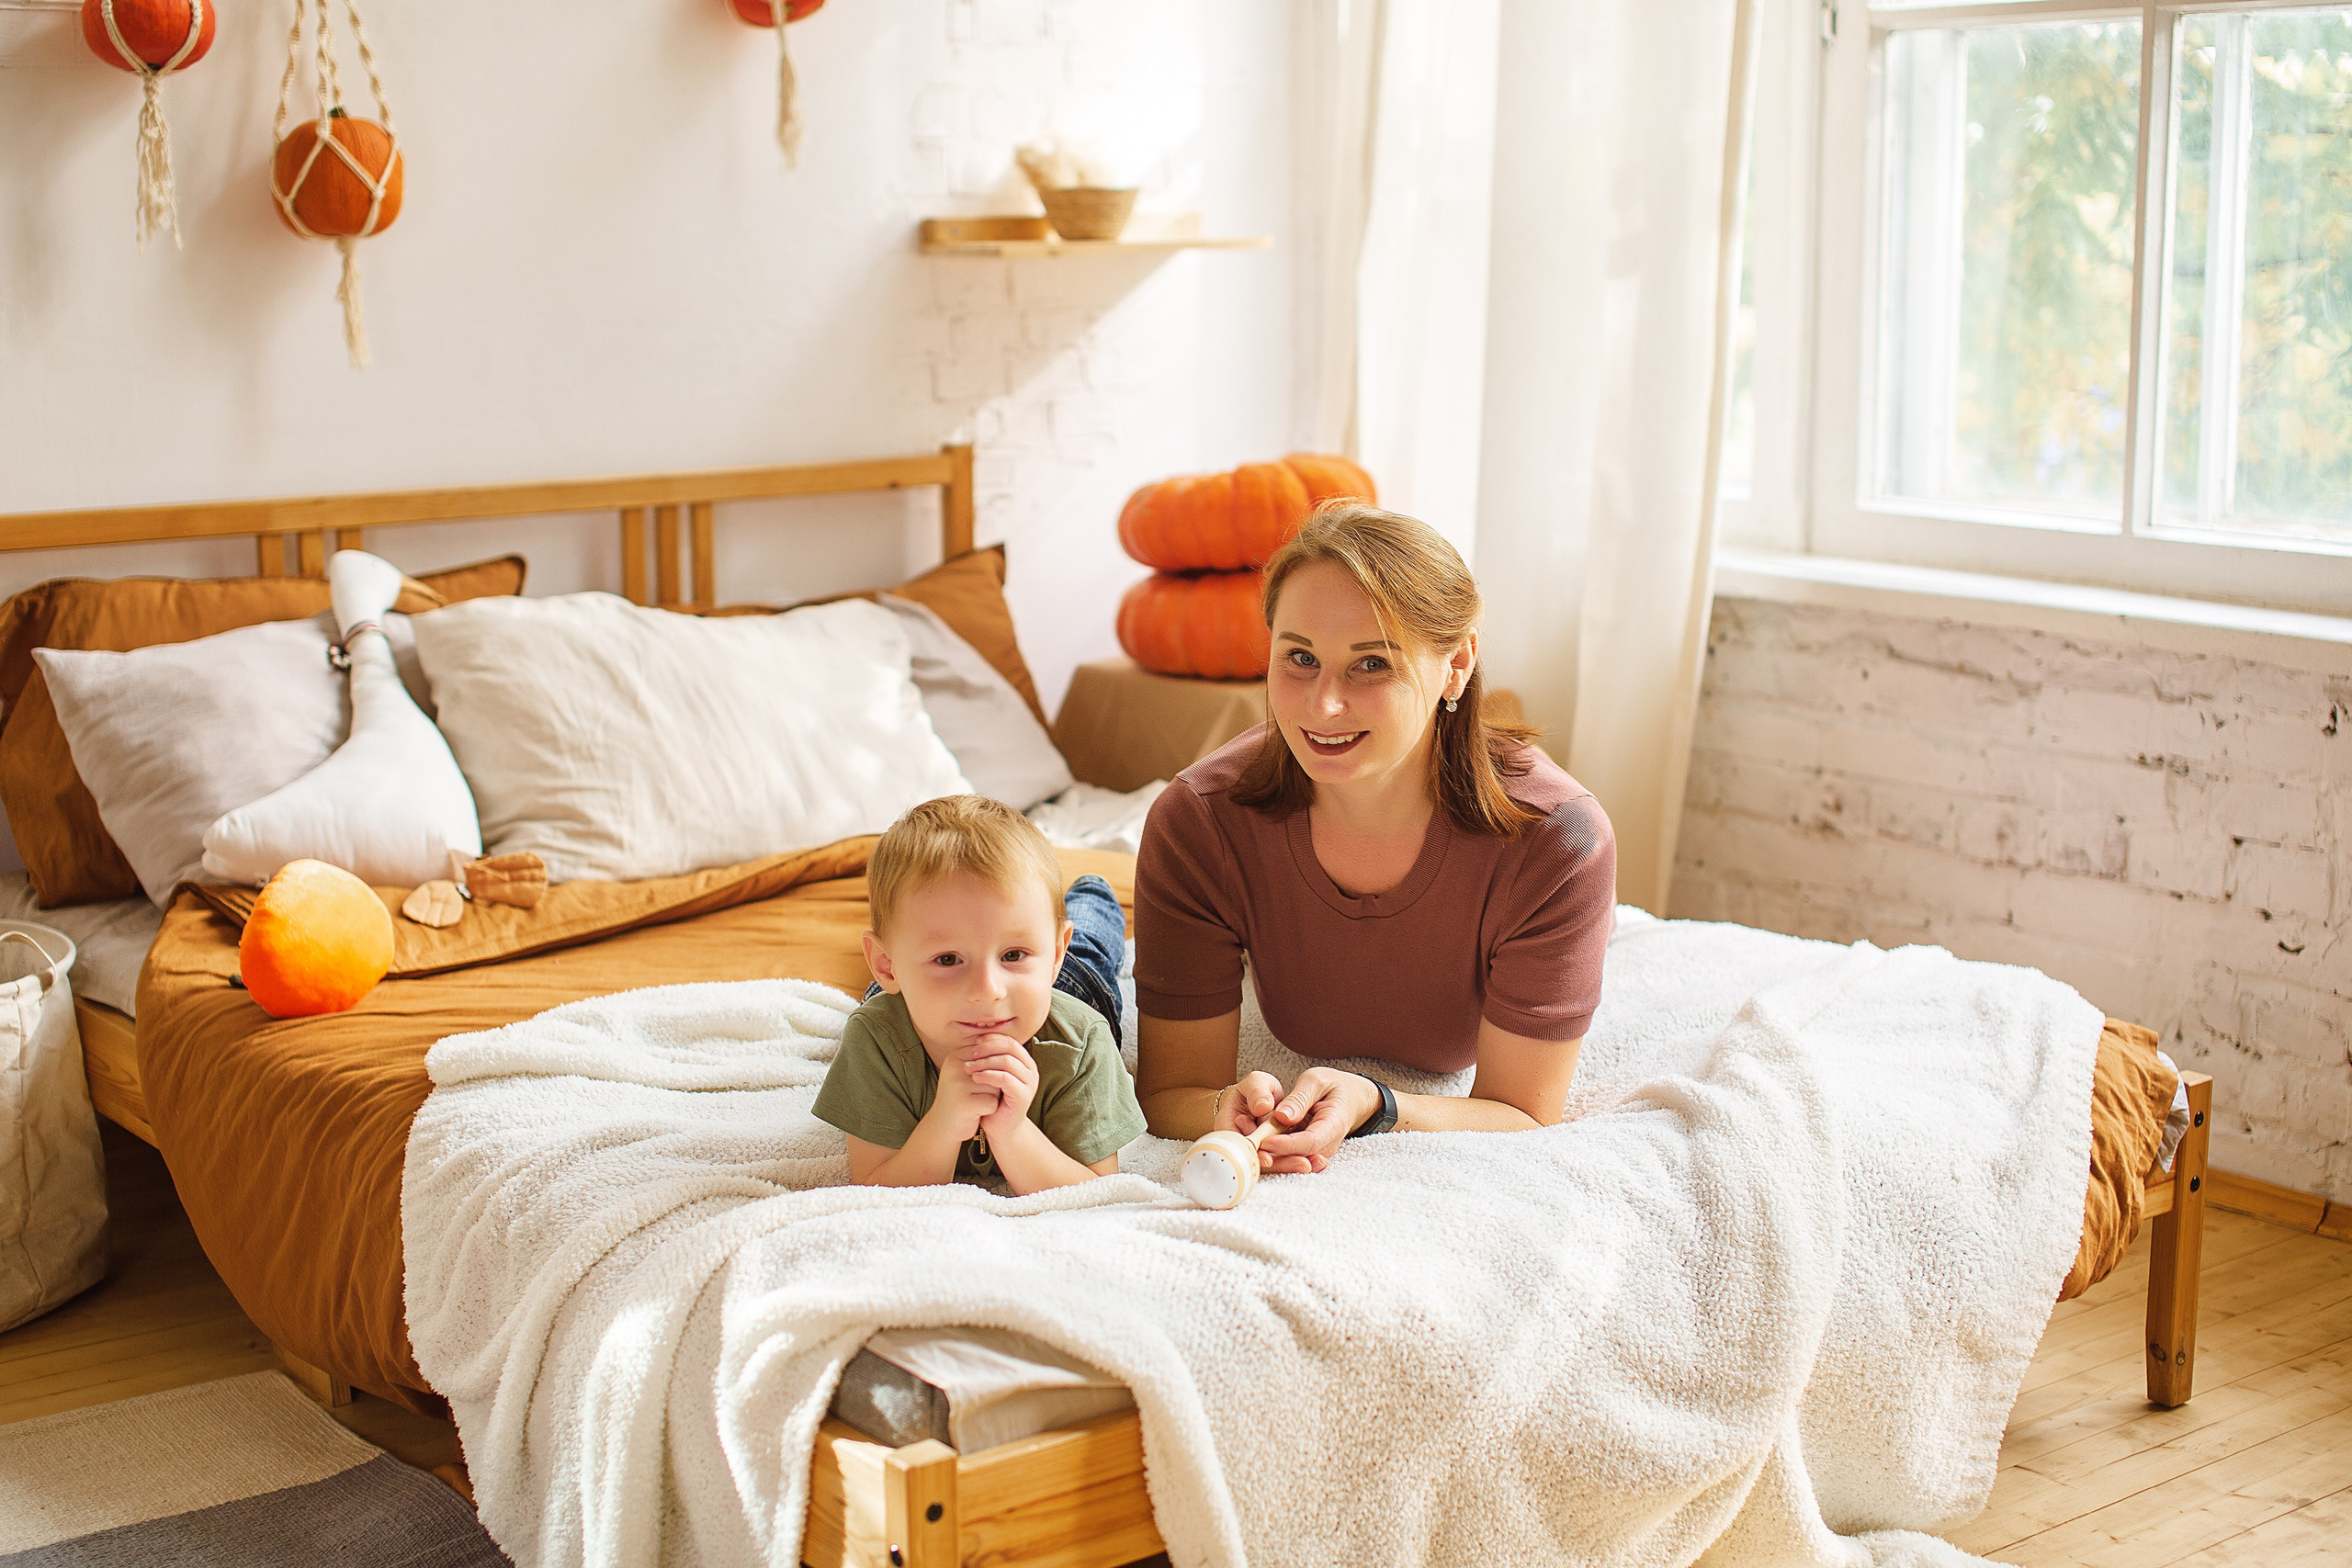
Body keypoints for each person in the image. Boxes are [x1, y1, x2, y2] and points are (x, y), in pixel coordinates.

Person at [1134, 502, 1616, 1176]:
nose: (1323, 705)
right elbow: (1170, 1093)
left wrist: (1377, 1103)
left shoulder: (1558, 841)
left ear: (1456, 664)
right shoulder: (1197, 823)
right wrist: (1226, 1109)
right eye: (1300, 657)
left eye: (1371, 664)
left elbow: (1524, 1112)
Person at [815, 795, 1146, 1194]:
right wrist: (943, 1123)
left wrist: (1013, 1131)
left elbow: (1098, 1190)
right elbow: (873, 1186)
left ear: (1054, 953)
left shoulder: (1081, 1042)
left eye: (1013, 954)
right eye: (948, 959)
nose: (987, 991)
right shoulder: (876, 1039)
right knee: (883, 997)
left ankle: (1093, 892)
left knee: (1090, 948)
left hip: (1071, 986)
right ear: (886, 965)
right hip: (915, 1002)